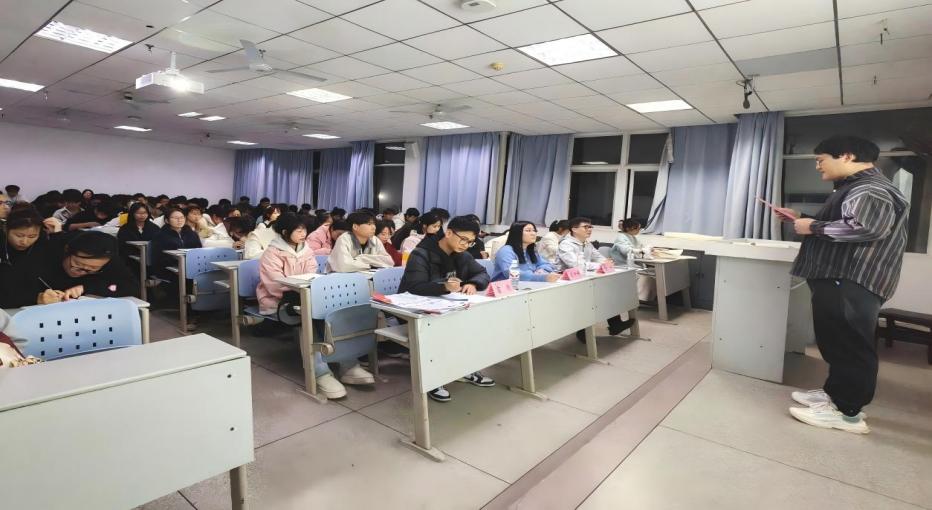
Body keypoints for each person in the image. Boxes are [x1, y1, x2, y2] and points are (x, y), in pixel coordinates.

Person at [780, 136, 908, 435]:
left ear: (847, 156)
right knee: (837, 342)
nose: (817, 166)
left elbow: (867, 228)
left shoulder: (869, 188)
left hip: (850, 277)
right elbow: (853, 224)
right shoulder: (859, 187)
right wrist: (804, 219)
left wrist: (812, 226)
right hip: (844, 276)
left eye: (821, 159)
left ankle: (847, 412)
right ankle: (834, 395)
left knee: (849, 345)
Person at [256, 214, 370, 399]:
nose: (303, 234)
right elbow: (274, 284)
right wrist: (302, 290)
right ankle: (320, 372)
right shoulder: (272, 252)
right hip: (279, 301)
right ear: (285, 232)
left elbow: (312, 272)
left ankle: (348, 363)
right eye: (298, 230)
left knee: (332, 313)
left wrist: (310, 288)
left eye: (304, 230)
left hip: (306, 296)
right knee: (310, 316)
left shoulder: (306, 249)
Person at [398, 216, 495, 402]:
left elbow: (482, 273)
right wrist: (444, 287)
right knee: (447, 329)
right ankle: (433, 378)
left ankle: (465, 369)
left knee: (475, 323)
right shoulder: (422, 254)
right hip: (415, 310)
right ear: (449, 233)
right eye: (463, 239)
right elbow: (414, 287)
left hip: (447, 306)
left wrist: (473, 283)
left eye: (471, 242)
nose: (466, 245)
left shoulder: (463, 255)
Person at [558, 217, 634, 341]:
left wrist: (605, 262)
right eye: (586, 227)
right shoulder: (566, 244)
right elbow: (577, 265)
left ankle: (615, 324)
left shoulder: (587, 243)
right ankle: (583, 332)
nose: (589, 229)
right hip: (566, 281)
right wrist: (599, 265)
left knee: (608, 292)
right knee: (589, 299)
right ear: (574, 229)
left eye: (590, 227)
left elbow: (598, 257)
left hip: (585, 277)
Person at [41, 231, 139, 302]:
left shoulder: (109, 259)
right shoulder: (47, 253)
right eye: (78, 264)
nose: (82, 272)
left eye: (93, 269)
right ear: (67, 251)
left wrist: (86, 287)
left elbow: (130, 287)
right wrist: (39, 297)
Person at [0, 209, 57, 308]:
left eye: (32, 236)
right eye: (19, 235)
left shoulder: (41, 246)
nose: (24, 242)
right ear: (6, 229)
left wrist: (57, 235)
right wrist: (35, 298)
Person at [491, 222, 559, 283]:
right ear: (517, 233)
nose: (533, 233)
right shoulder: (506, 251)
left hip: (529, 285)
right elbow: (510, 273)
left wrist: (540, 271)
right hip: (505, 287)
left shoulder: (530, 250)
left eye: (534, 230)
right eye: (528, 230)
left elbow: (545, 264)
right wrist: (539, 277)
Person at [327, 211, 394, 273]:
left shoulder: (375, 240)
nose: (374, 227)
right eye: (369, 224)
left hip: (365, 277)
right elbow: (344, 266)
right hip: (340, 280)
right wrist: (370, 264)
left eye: (374, 224)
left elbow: (389, 262)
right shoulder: (344, 239)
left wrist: (363, 258)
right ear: (355, 227)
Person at [609, 218, 657, 302]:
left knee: (655, 275)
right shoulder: (621, 238)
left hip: (634, 265)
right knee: (646, 278)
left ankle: (646, 299)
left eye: (639, 228)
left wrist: (649, 249)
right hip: (623, 266)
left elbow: (641, 247)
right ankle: (638, 300)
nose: (638, 230)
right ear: (628, 228)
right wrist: (641, 251)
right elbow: (626, 251)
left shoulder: (634, 238)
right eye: (637, 228)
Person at [151, 207, 202, 280]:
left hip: (189, 266)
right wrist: (179, 266)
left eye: (182, 217)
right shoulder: (160, 235)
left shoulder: (191, 233)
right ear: (167, 220)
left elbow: (199, 250)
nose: (179, 220)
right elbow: (159, 258)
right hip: (169, 269)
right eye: (175, 218)